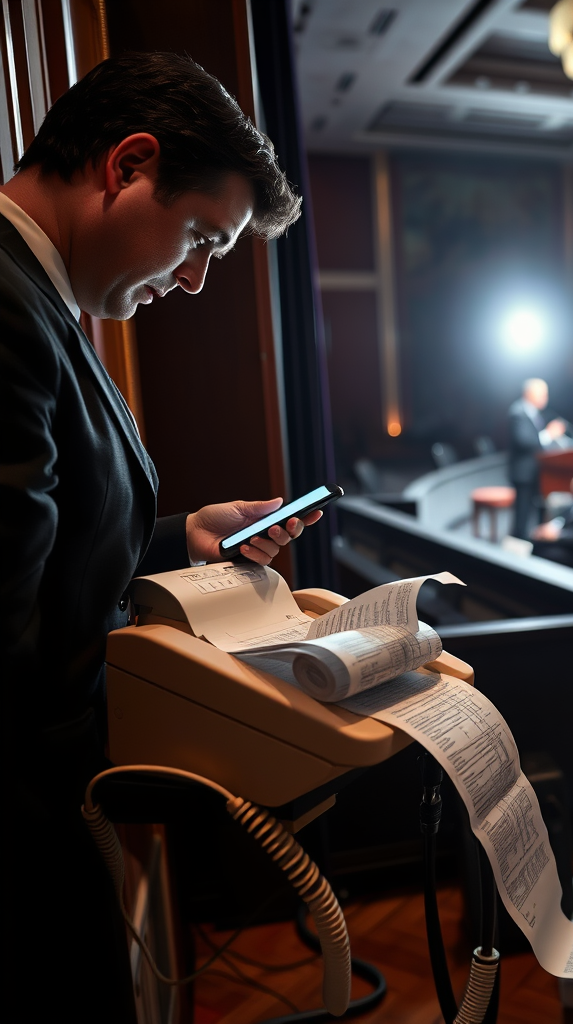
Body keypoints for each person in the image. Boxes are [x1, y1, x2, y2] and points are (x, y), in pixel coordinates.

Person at [1, 53, 311, 1019]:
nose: (196, 280)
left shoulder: (38, 295)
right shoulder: (6, 307)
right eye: (201, 239)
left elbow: (44, 547)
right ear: (128, 165)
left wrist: (184, 538)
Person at [507, 377, 565, 538]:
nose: (545, 398)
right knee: (522, 516)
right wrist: (548, 434)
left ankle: (538, 544)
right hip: (524, 473)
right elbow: (524, 441)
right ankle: (515, 550)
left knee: (539, 512)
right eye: (542, 394)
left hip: (538, 471)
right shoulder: (517, 411)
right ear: (529, 393)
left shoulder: (535, 413)